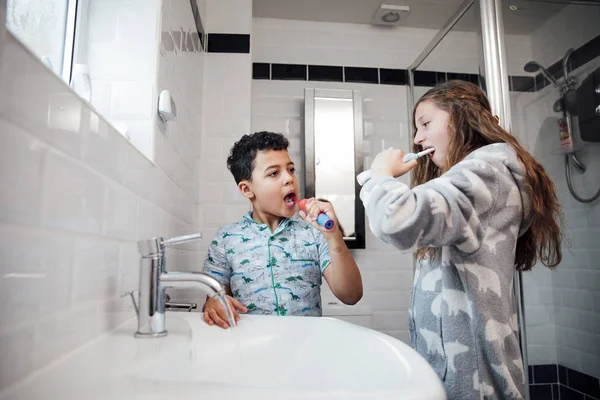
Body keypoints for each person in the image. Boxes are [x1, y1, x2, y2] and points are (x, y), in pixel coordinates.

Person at [359, 80, 563, 399]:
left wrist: (382, 176)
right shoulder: (478, 177)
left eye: (426, 123)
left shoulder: (486, 171)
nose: (417, 138)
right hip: (465, 372)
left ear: (462, 116)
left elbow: (397, 220)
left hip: (473, 379)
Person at [202, 131, 363, 328]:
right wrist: (213, 303)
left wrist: (333, 236)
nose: (289, 178)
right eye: (274, 173)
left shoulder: (313, 233)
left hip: (306, 349)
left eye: (291, 169)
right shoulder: (226, 239)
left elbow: (351, 295)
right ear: (247, 189)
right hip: (250, 349)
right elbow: (213, 301)